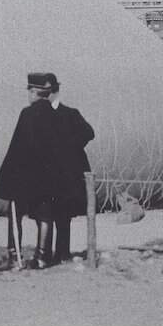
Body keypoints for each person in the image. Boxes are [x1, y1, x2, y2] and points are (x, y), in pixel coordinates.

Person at [0, 73, 63, 269]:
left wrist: (8, 180)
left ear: (34, 92)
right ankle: (42, 257)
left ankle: (15, 257)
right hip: (48, 177)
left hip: (23, 177)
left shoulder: (27, 114)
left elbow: (17, 147)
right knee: (45, 216)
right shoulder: (56, 116)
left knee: (15, 215)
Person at [45, 72, 94, 263]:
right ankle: (48, 252)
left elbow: (89, 133)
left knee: (63, 215)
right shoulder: (41, 114)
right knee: (48, 213)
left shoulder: (70, 113)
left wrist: (68, 147)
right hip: (48, 171)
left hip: (67, 173)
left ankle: (62, 252)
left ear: (53, 92)